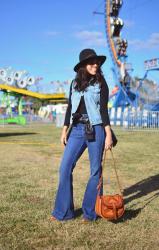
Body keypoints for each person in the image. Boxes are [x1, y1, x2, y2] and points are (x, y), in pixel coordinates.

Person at [51, 48, 113, 222]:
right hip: (77, 129)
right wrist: (64, 129)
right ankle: (63, 212)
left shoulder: (101, 83)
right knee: (64, 168)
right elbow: (70, 106)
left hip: (97, 128)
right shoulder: (74, 83)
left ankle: (90, 212)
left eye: (97, 62)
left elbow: (103, 110)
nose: (95, 65)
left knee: (95, 171)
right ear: (83, 66)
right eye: (91, 62)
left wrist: (108, 134)